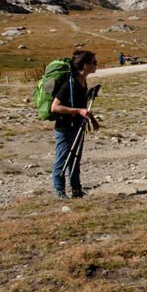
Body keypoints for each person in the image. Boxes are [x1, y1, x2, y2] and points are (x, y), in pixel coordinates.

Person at [50, 49, 99, 199]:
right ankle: (59, 190)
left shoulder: (82, 82)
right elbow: (55, 107)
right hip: (65, 128)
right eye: (94, 63)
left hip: (78, 126)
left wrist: (92, 119)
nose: (96, 65)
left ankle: (76, 189)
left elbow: (82, 107)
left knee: (75, 159)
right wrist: (78, 111)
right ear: (85, 65)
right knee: (62, 159)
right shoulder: (69, 84)